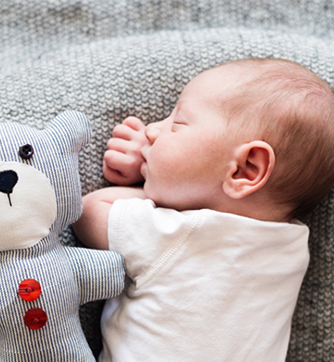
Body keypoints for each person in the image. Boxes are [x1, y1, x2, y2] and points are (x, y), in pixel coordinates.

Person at [73, 58, 334, 361]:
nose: (153, 131)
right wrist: (158, 166)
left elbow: (89, 212)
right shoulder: (291, 248)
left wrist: (147, 175)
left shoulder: (178, 234)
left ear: (246, 169)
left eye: (178, 123)